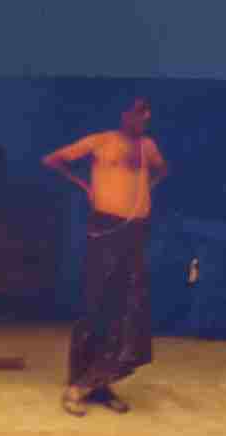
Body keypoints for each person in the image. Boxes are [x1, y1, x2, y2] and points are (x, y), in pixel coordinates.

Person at [43, 98, 168, 417]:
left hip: (135, 232)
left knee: (126, 310)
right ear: (125, 114)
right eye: (138, 112)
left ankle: (102, 382)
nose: (143, 118)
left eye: (146, 114)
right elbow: (54, 160)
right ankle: (78, 384)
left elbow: (161, 170)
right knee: (96, 304)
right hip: (105, 230)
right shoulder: (101, 141)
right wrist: (86, 186)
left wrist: (146, 189)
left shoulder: (148, 147)